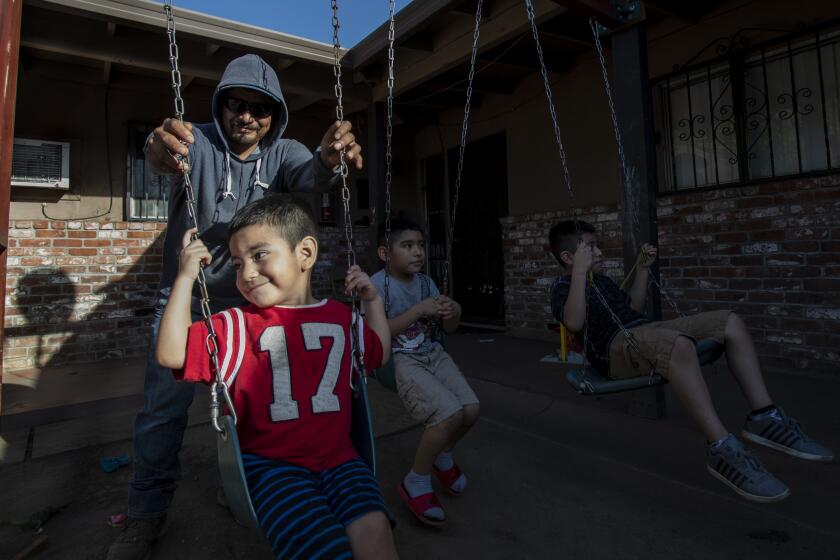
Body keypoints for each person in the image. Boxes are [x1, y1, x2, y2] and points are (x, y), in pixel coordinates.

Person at [107, 54, 363, 559]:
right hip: (187, 299)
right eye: (236, 105)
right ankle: (145, 515)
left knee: (257, 407)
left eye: (260, 109)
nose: (247, 117)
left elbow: (311, 174)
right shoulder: (197, 141)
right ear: (221, 105)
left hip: (253, 305)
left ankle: (245, 486)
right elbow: (162, 151)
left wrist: (330, 159)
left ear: (275, 115)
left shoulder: (283, 152)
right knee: (163, 410)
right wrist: (157, 148)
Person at [157, 195, 397, 559]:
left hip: (342, 459)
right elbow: (171, 353)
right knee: (324, 548)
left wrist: (373, 302)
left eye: (259, 255)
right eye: (237, 264)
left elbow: (378, 351)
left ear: (305, 253)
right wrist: (185, 277)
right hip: (273, 471)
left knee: (376, 534)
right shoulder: (236, 326)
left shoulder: (339, 317)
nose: (246, 273)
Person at [549, 220, 833, 503]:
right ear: (568, 257)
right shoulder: (563, 286)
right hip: (613, 351)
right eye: (591, 247)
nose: (599, 253)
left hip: (643, 332)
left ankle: (765, 416)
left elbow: (632, 308)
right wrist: (578, 276)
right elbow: (574, 322)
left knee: (730, 323)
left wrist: (644, 269)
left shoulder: (603, 281)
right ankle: (721, 447)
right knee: (679, 345)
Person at [371, 218, 480, 526]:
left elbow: (449, 329)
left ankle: (441, 456)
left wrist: (453, 312)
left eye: (420, 245)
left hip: (432, 352)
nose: (417, 252)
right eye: (407, 246)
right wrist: (419, 310)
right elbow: (378, 335)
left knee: (470, 410)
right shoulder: (377, 286)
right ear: (384, 253)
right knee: (447, 415)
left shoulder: (426, 283)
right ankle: (416, 480)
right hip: (400, 359)